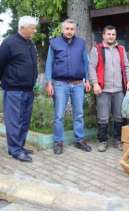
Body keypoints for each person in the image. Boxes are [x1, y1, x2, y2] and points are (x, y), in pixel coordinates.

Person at [0, 16, 38, 162]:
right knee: (14, 120)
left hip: (28, 90)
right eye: (32, 27)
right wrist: (5, 80)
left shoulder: (30, 43)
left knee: (24, 121)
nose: (35, 30)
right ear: (22, 27)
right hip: (14, 89)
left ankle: (19, 146)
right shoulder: (9, 43)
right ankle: (15, 150)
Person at [45, 19, 91, 155]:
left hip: (78, 84)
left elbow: (85, 63)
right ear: (62, 29)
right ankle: (58, 142)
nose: (69, 31)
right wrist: (49, 82)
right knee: (59, 115)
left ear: (75, 30)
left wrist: (87, 80)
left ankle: (79, 140)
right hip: (60, 84)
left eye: (72, 29)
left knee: (79, 114)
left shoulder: (81, 43)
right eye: (67, 29)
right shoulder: (54, 43)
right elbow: (49, 63)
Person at [89, 25, 129, 152]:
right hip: (103, 89)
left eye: (113, 34)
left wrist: (128, 81)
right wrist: (95, 83)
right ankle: (103, 141)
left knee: (119, 116)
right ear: (103, 35)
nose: (111, 36)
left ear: (115, 36)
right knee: (103, 117)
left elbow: (126, 66)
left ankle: (118, 140)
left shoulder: (121, 49)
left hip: (119, 89)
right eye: (108, 34)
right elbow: (91, 67)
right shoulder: (97, 49)